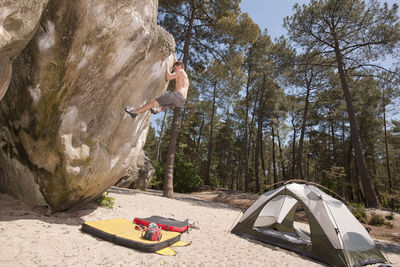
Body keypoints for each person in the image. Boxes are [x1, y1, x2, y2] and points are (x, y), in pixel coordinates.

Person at [124, 56, 189, 118]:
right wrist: (174, 56)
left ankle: (135, 112)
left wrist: (167, 67)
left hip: (177, 96)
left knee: (153, 102)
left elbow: (168, 77)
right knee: (166, 103)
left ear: (180, 66)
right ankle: (157, 110)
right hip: (181, 101)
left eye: (175, 68)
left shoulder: (180, 71)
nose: (174, 70)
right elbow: (176, 62)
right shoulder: (184, 76)